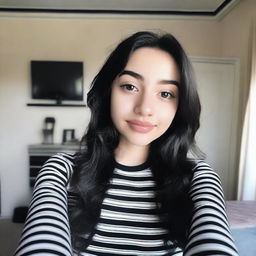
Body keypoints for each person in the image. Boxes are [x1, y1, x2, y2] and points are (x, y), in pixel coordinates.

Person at [14, 31, 239, 256]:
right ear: (108, 91)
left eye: (165, 93)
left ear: (180, 105)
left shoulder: (199, 176)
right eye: (130, 86)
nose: (145, 108)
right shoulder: (62, 169)